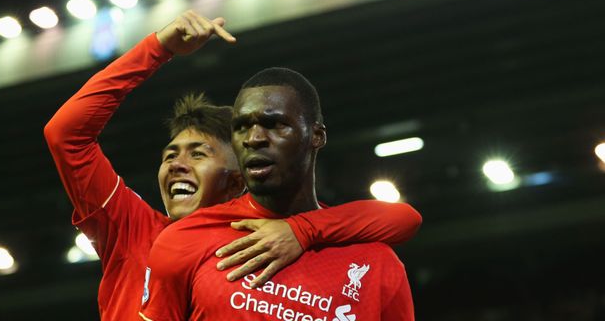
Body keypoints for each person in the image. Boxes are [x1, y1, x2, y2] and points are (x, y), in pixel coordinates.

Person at [44, 11, 421, 321]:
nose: (176, 164)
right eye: (169, 154)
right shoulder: (139, 232)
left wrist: (302, 230)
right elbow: (66, 135)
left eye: (198, 153)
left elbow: (404, 219)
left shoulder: (308, 245)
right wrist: (157, 48)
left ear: (239, 174)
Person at [139, 67, 416, 321]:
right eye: (241, 127)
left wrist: (301, 229)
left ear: (316, 136)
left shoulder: (377, 263)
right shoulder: (185, 239)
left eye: (274, 124)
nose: (253, 138)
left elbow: (408, 219)